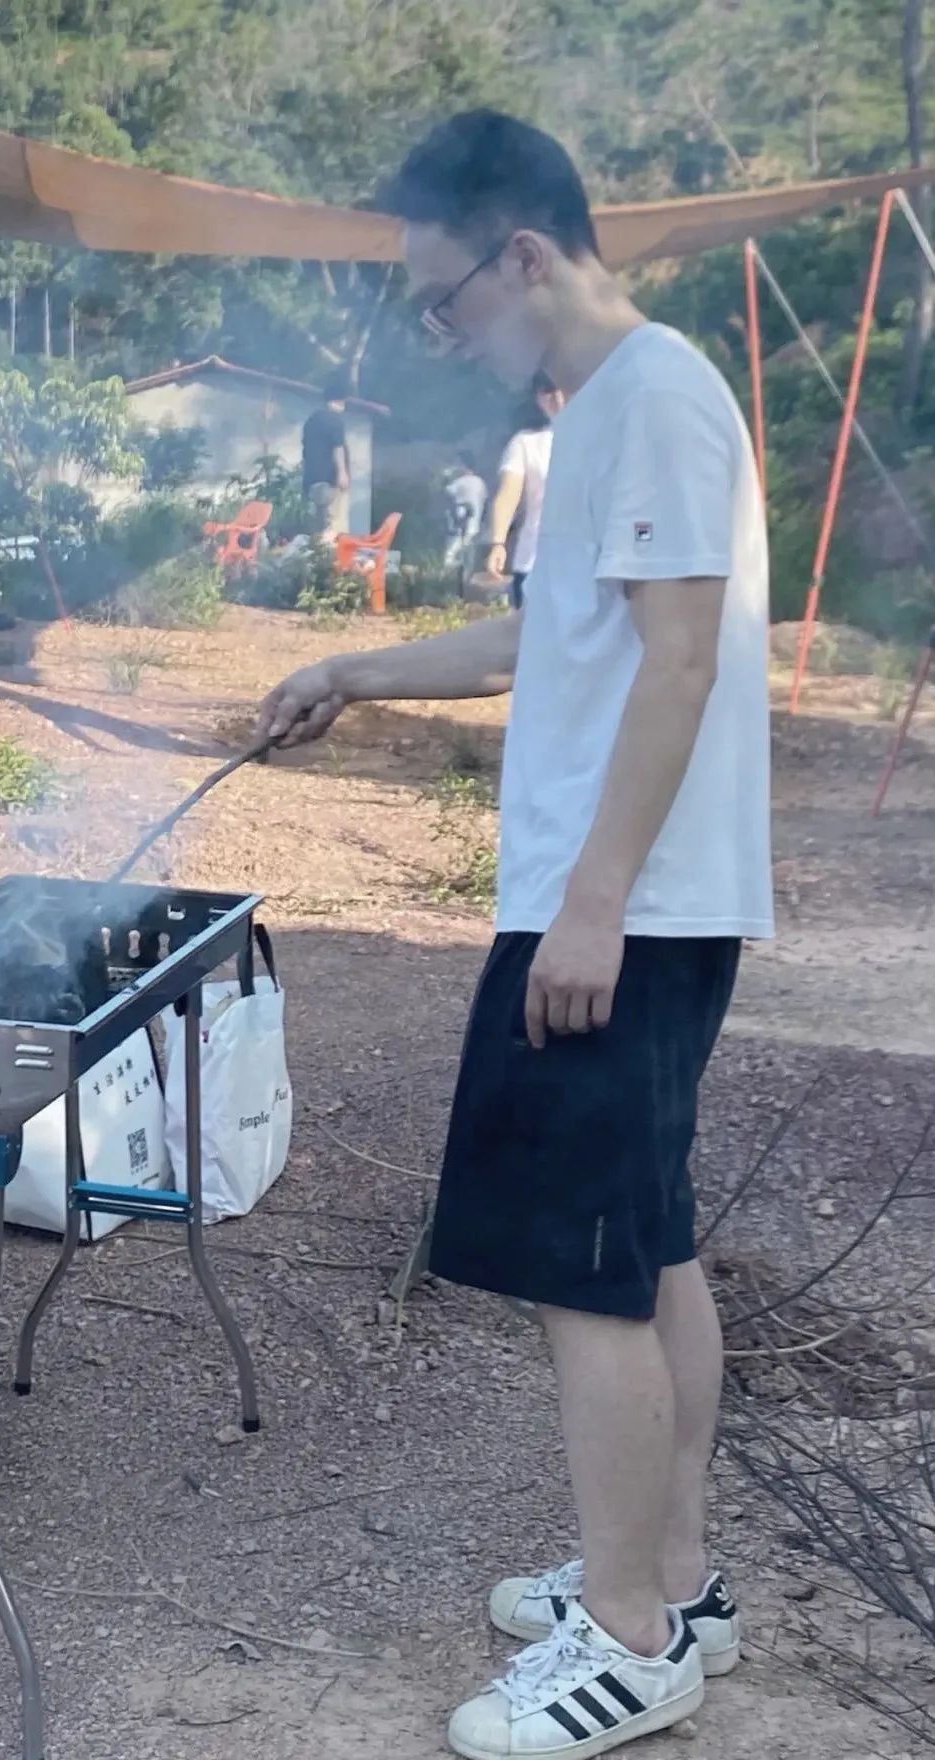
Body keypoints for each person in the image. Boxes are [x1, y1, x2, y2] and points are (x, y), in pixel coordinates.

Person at [258, 108, 771, 1760]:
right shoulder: (613, 410)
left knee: (589, 1280)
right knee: (650, 1243)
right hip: (617, 905)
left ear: (524, 254)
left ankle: (630, 1645)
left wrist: (593, 907)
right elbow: (541, 634)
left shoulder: (655, 396)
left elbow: (682, 663)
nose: (439, 333)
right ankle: (670, 1584)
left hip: (620, 912)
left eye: (440, 301)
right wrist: (349, 669)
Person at [488, 375, 565, 607]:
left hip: (587, 566)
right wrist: (497, 543)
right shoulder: (526, 443)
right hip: (533, 563)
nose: (556, 398)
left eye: (561, 389)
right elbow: (508, 495)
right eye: (547, 391)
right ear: (537, 398)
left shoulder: (603, 441)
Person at [302, 369, 352, 538]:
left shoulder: (312, 420)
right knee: (333, 524)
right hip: (330, 481)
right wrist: (343, 473)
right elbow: (337, 448)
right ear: (342, 400)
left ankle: (315, 555)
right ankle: (329, 558)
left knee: (318, 523)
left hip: (311, 480)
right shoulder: (336, 421)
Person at [443, 450, 489, 572]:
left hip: (458, 532)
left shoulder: (458, 483)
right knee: (469, 566)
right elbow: (485, 506)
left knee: (450, 562)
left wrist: (446, 477)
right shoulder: (480, 483)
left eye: (456, 463)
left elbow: (443, 497)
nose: (454, 466)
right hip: (476, 532)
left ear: (463, 464)